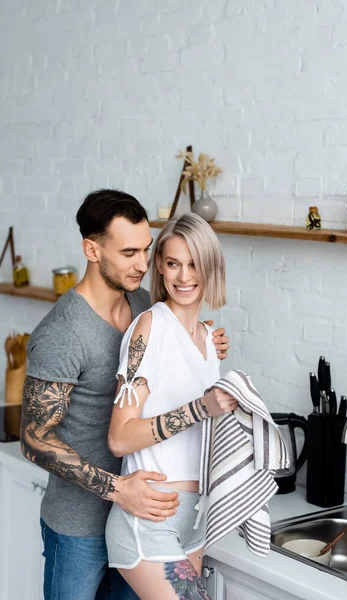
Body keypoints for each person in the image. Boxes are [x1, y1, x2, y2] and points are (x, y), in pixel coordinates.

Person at [20, 190, 229, 600]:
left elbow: (169, 345)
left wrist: (206, 341)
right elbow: (33, 440)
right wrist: (119, 489)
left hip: (147, 509)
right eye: (129, 252)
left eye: (147, 250)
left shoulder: (142, 302)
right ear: (91, 249)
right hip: (79, 523)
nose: (142, 264)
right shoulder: (63, 333)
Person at [106, 213, 237, 600]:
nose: (183, 277)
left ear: (210, 265)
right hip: (150, 522)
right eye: (173, 263)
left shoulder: (209, 340)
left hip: (195, 519)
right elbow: (119, 437)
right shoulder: (149, 328)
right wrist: (200, 408)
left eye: (194, 263)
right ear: (160, 267)